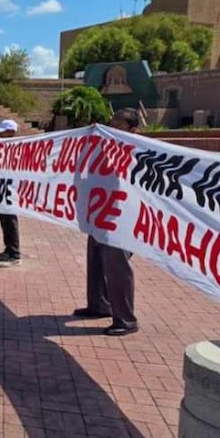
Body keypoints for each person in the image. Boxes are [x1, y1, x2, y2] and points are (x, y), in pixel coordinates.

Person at [74, 107, 140, 336]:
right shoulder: (107, 146)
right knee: (96, 260)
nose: (112, 128)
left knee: (117, 266)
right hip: (101, 214)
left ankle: (126, 319)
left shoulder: (139, 151)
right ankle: (99, 304)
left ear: (132, 129)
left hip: (122, 220)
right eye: (111, 123)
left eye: (118, 125)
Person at [0, 119, 21, 266]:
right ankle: (8, 249)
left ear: (11, 132)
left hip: (11, 191)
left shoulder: (18, 148)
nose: (1, 135)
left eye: (3, 132)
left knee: (11, 221)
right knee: (4, 220)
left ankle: (14, 254)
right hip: (2, 189)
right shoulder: (2, 147)